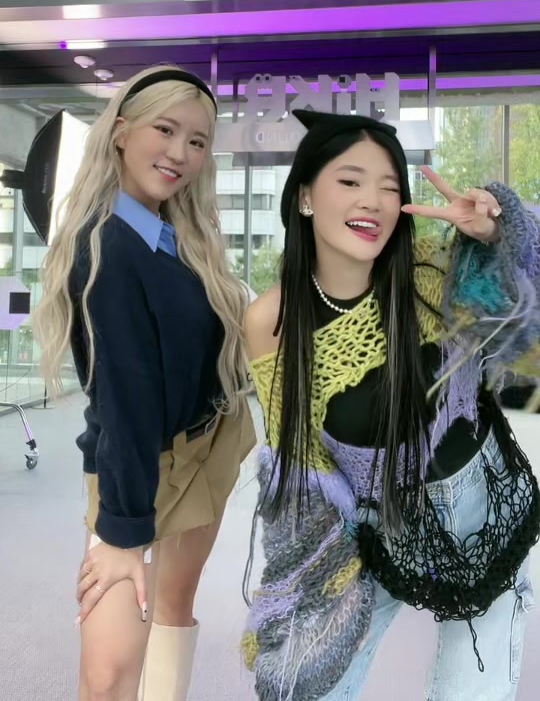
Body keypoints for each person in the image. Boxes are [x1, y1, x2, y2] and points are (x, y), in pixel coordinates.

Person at [241, 110, 540, 701]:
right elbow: (299, 468)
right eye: (350, 181)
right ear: (305, 196)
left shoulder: (434, 268)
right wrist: (303, 591)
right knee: (303, 688)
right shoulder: (273, 320)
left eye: (388, 186)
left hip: (483, 509)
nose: (372, 201)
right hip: (376, 524)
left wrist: (499, 235)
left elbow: (526, 335)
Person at [33, 66, 256, 701]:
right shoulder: (106, 246)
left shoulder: (173, 233)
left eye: (197, 141)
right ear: (122, 132)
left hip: (206, 446)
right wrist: (122, 529)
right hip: (136, 468)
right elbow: (125, 400)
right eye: (165, 129)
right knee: (107, 677)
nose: (180, 153)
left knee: (174, 609)